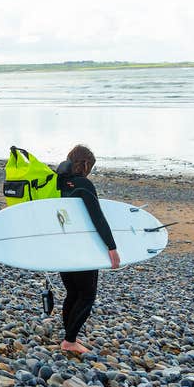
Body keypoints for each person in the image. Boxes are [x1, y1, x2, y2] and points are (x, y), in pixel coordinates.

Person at [55, 145, 120, 354]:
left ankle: (69, 336)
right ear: (84, 164)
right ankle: (70, 341)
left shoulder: (58, 182)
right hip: (82, 248)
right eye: (90, 166)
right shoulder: (83, 184)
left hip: (61, 246)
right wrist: (111, 247)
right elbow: (97, 217)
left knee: (72, 293)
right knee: (87, 295)